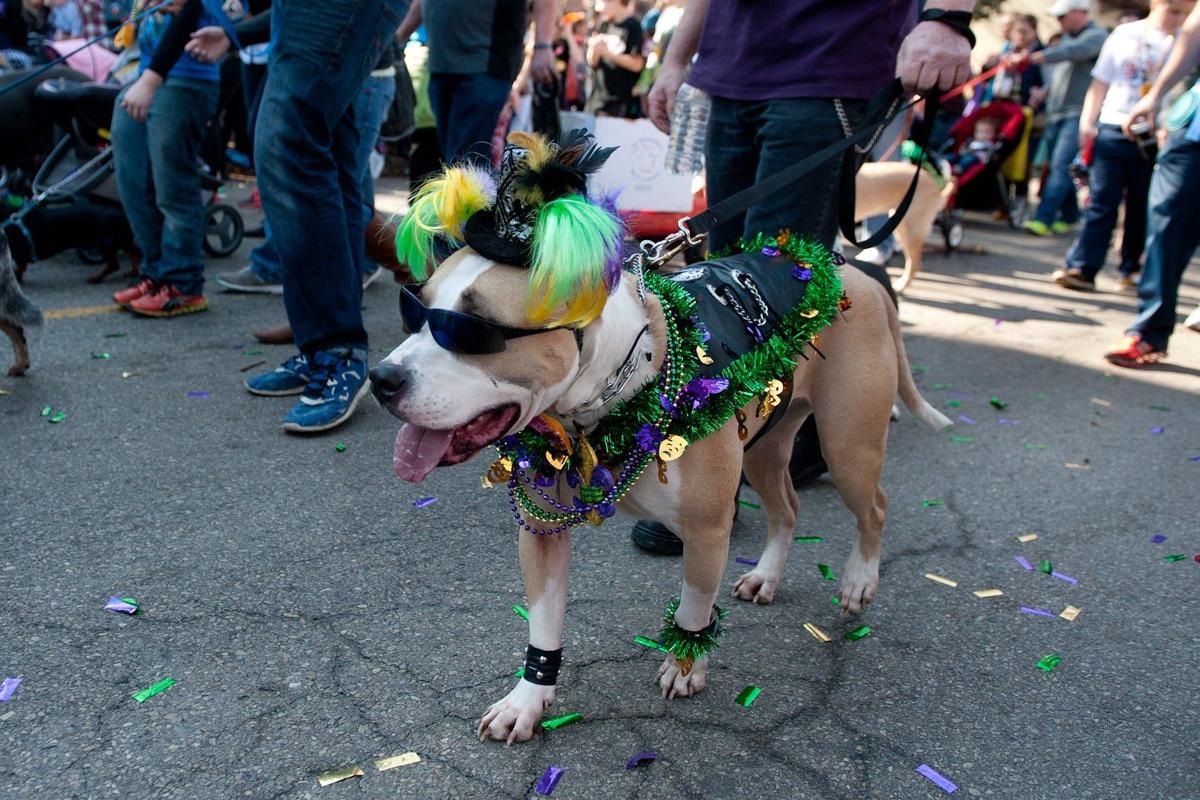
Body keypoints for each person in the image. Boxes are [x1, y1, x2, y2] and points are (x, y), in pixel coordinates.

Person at [631, 0, 975, 554]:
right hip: (733, 73)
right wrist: (675, 59)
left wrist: (947, 18)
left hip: (826, 66)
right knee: (725, 296)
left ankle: (740, 475)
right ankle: (772, 443)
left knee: (772, 293)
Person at [1051, 0, 1190, 293]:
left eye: (1186, 14)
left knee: (1142, 205)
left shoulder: (1186, 39)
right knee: (1101, 200)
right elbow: (1100, 82)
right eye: (1175, 11)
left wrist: (1171, 126)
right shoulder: (1125, 34)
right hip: (1113, 125)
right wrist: (1088, 122)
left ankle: (1132, 268)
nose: (1179, 19)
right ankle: (1083, 267)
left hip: (1155, 134)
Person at [108, 0, 235, 317]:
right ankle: (155, 273)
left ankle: (183, 284)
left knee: (172, 187)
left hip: (184, 80)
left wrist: (151, 80)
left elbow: (194, 11)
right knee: (133, 181)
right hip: (143, 75)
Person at [1104, 0, 1200, 367]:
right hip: (1193, 130)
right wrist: (1156, 96)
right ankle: (1149, 332)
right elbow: (1193, 34)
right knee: (1167, 221)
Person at [395, 0, 556, 167]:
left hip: (485, 64)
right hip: (441, 64)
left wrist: (543, 45)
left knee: (467, 161)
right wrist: (397, 39)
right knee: (453, 159)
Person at [1015, 0, 1106, 238]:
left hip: (1077, 113)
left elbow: (1072, 53)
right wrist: (1044, 93)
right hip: (1056, 113)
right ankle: (1069, 215)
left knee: (1060, 165)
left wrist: (1033, 57)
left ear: (1080, 13)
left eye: (1063, 16)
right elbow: (1061, 72)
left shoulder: (1096, 36)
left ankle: (1043, 219)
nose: (1059, 22)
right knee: (1056, 166)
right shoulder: (1067, 38)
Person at [585, 0, 645, 118]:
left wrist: (607, 53)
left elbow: (637, 64)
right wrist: (593, 48)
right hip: (596, 100)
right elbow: (592, 62)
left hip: (619, 102)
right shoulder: (604, 24)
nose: (599, 8)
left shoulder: (633, 26)